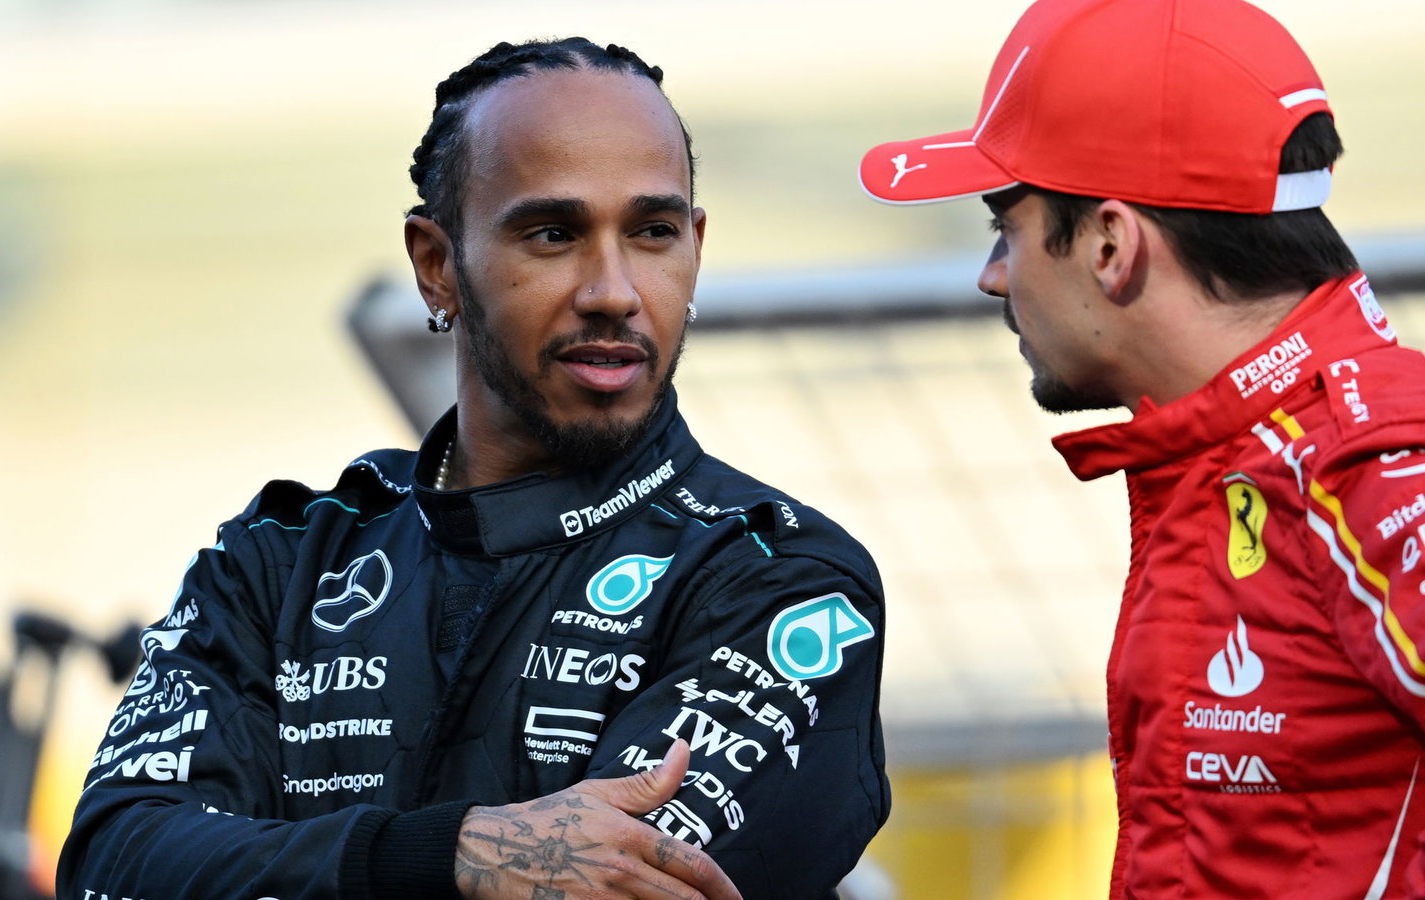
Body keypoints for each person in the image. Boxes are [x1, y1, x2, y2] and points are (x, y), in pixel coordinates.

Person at [59, 37, 889, 900]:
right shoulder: (280, 561)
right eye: (553, 233)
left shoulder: (780, 581)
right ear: (437, 265)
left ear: (696, 248)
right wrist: (447, 854)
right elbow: (120, 860)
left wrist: (296, 862)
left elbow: (611, 888)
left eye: (652, 232)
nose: (612, 289)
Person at [858, 1, 1425, 897]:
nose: (992, 273)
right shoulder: (1244, 455)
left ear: (1111, 244)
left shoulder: (1356, 462)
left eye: (1005, 223)